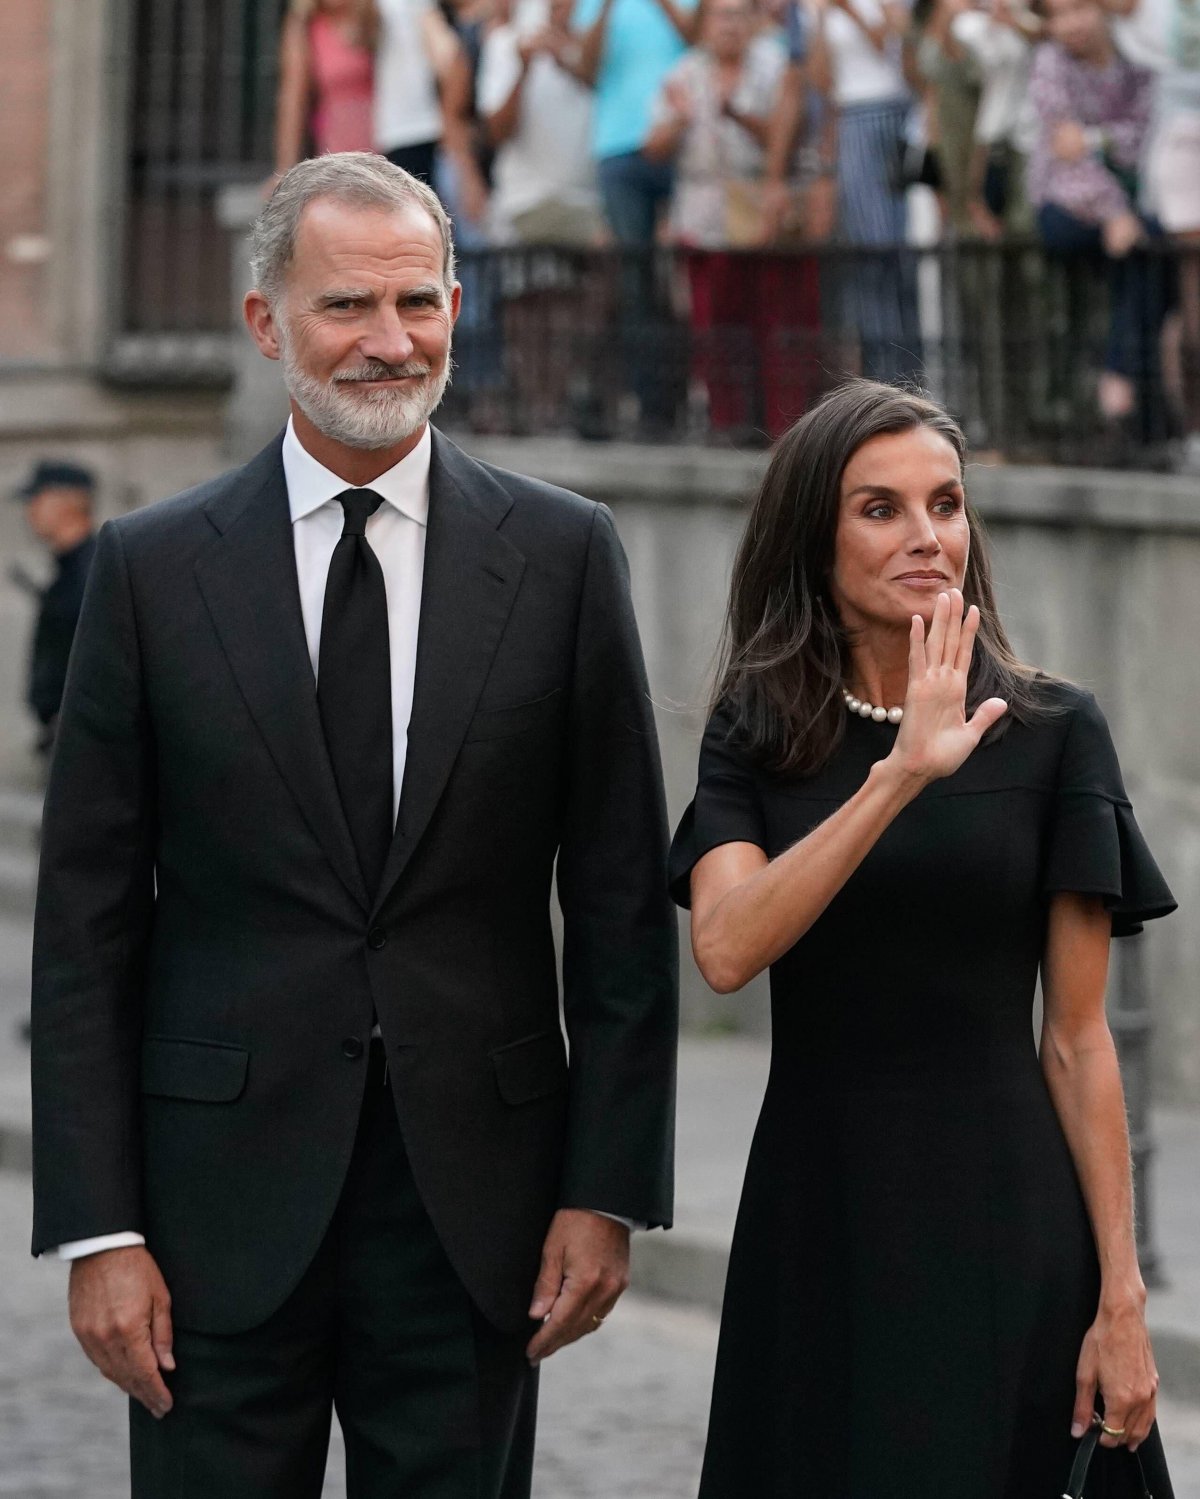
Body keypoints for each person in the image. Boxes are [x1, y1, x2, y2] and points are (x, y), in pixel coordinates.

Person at [30, 151, 678, 1499]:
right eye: (347, 308)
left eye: (420, 303)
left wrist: (606, 1187)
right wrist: (99, 1222)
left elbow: (619, 903)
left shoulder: (563, 557)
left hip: (476, 1209)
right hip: (212, 1206)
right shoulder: (149, 572)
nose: (392, 342)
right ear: (267, 323)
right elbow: (86, 924)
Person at [668, 378, 1176, 1498]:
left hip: (1006, 1217)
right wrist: (898, 779)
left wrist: (1122, 1294)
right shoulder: (757, 728)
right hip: (821, 1216)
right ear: (816, 534)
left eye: (945, 503)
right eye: (880, 508)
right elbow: (726, 946)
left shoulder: (1053, 732)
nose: (926, 536)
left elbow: (1079, 1040)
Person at [645, 0, 823, 438]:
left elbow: (792, 134)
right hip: (705, 216)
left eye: (739, 14)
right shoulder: (683, 73)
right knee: (714, 329)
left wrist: (737, 115)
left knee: (778, 328)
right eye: (721, 15)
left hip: (763, 210)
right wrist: (679, 122)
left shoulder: (776, 66)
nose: (730, 25)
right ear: (705, 24)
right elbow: (652, 148)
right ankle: (728, 426)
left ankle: (785, 431)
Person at [1028, 0, 1167, 437]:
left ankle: (1127, 391)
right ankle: (1118, 384)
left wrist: (1093, 138)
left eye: (1077, 9)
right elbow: (1066, 158)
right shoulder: (1050, 62)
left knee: (1146, 262)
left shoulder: (1136, 57)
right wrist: (1115, 213)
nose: (1068, 24)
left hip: (1132, 207)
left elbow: (1142, 135)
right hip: (1065, 205)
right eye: (1056, 15)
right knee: (1139, 256)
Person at [572, 0, 700, 434]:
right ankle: (652, 408)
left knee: (691, 275)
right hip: (619, 150)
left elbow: (700, 42)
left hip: (685, 142)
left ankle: (700, 401)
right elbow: (586, 70)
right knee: (635, 281)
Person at [807, 0, 926, 380]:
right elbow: (822, 81)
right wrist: (824, 18)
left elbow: (894, 54)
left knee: (907, 253)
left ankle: (916, 373)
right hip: (853, 120)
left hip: (900, 115)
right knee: (872, 254)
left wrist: (852, 11)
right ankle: (887, 378)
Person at [12, 460, 97, 757]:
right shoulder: (68, 570)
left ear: (69, 501)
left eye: (38, 499)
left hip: (85, 743)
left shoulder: (96, 572)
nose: (30, 511)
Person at [271, 0, 378, 181]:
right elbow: (293, 99)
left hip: (383, 137)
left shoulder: (376, 16)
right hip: (336, 143)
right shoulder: (305, 25)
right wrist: (283, 169)